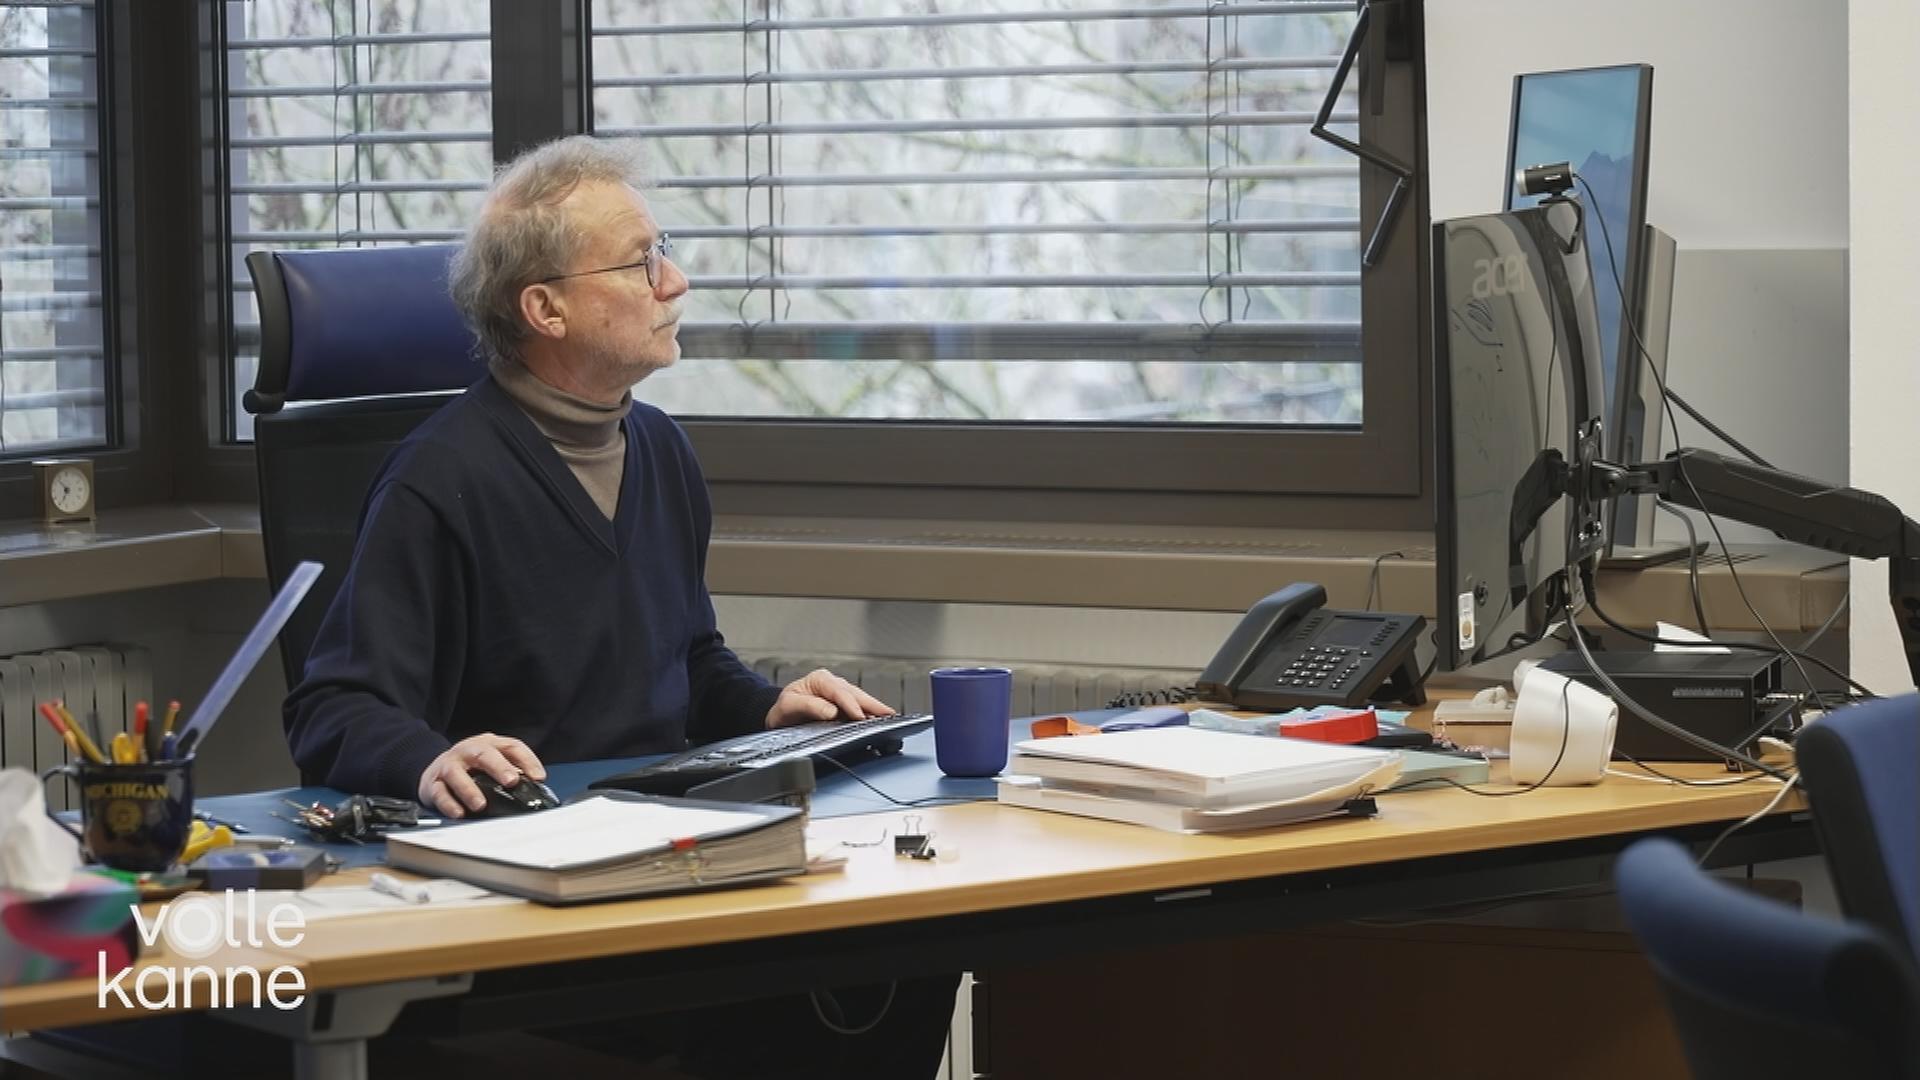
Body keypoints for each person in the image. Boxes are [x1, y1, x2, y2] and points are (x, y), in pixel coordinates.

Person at [283, 135, 956, 1078]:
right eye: (642, 262)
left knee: (905, 955)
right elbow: (334, 709)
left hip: (663, 852)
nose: (675, 281)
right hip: (536, 896)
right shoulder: (440, 479)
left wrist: (764, 706)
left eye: (665, 251)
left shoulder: (665, 452)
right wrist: (434, 756)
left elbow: (686, 658)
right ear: (545, 308)